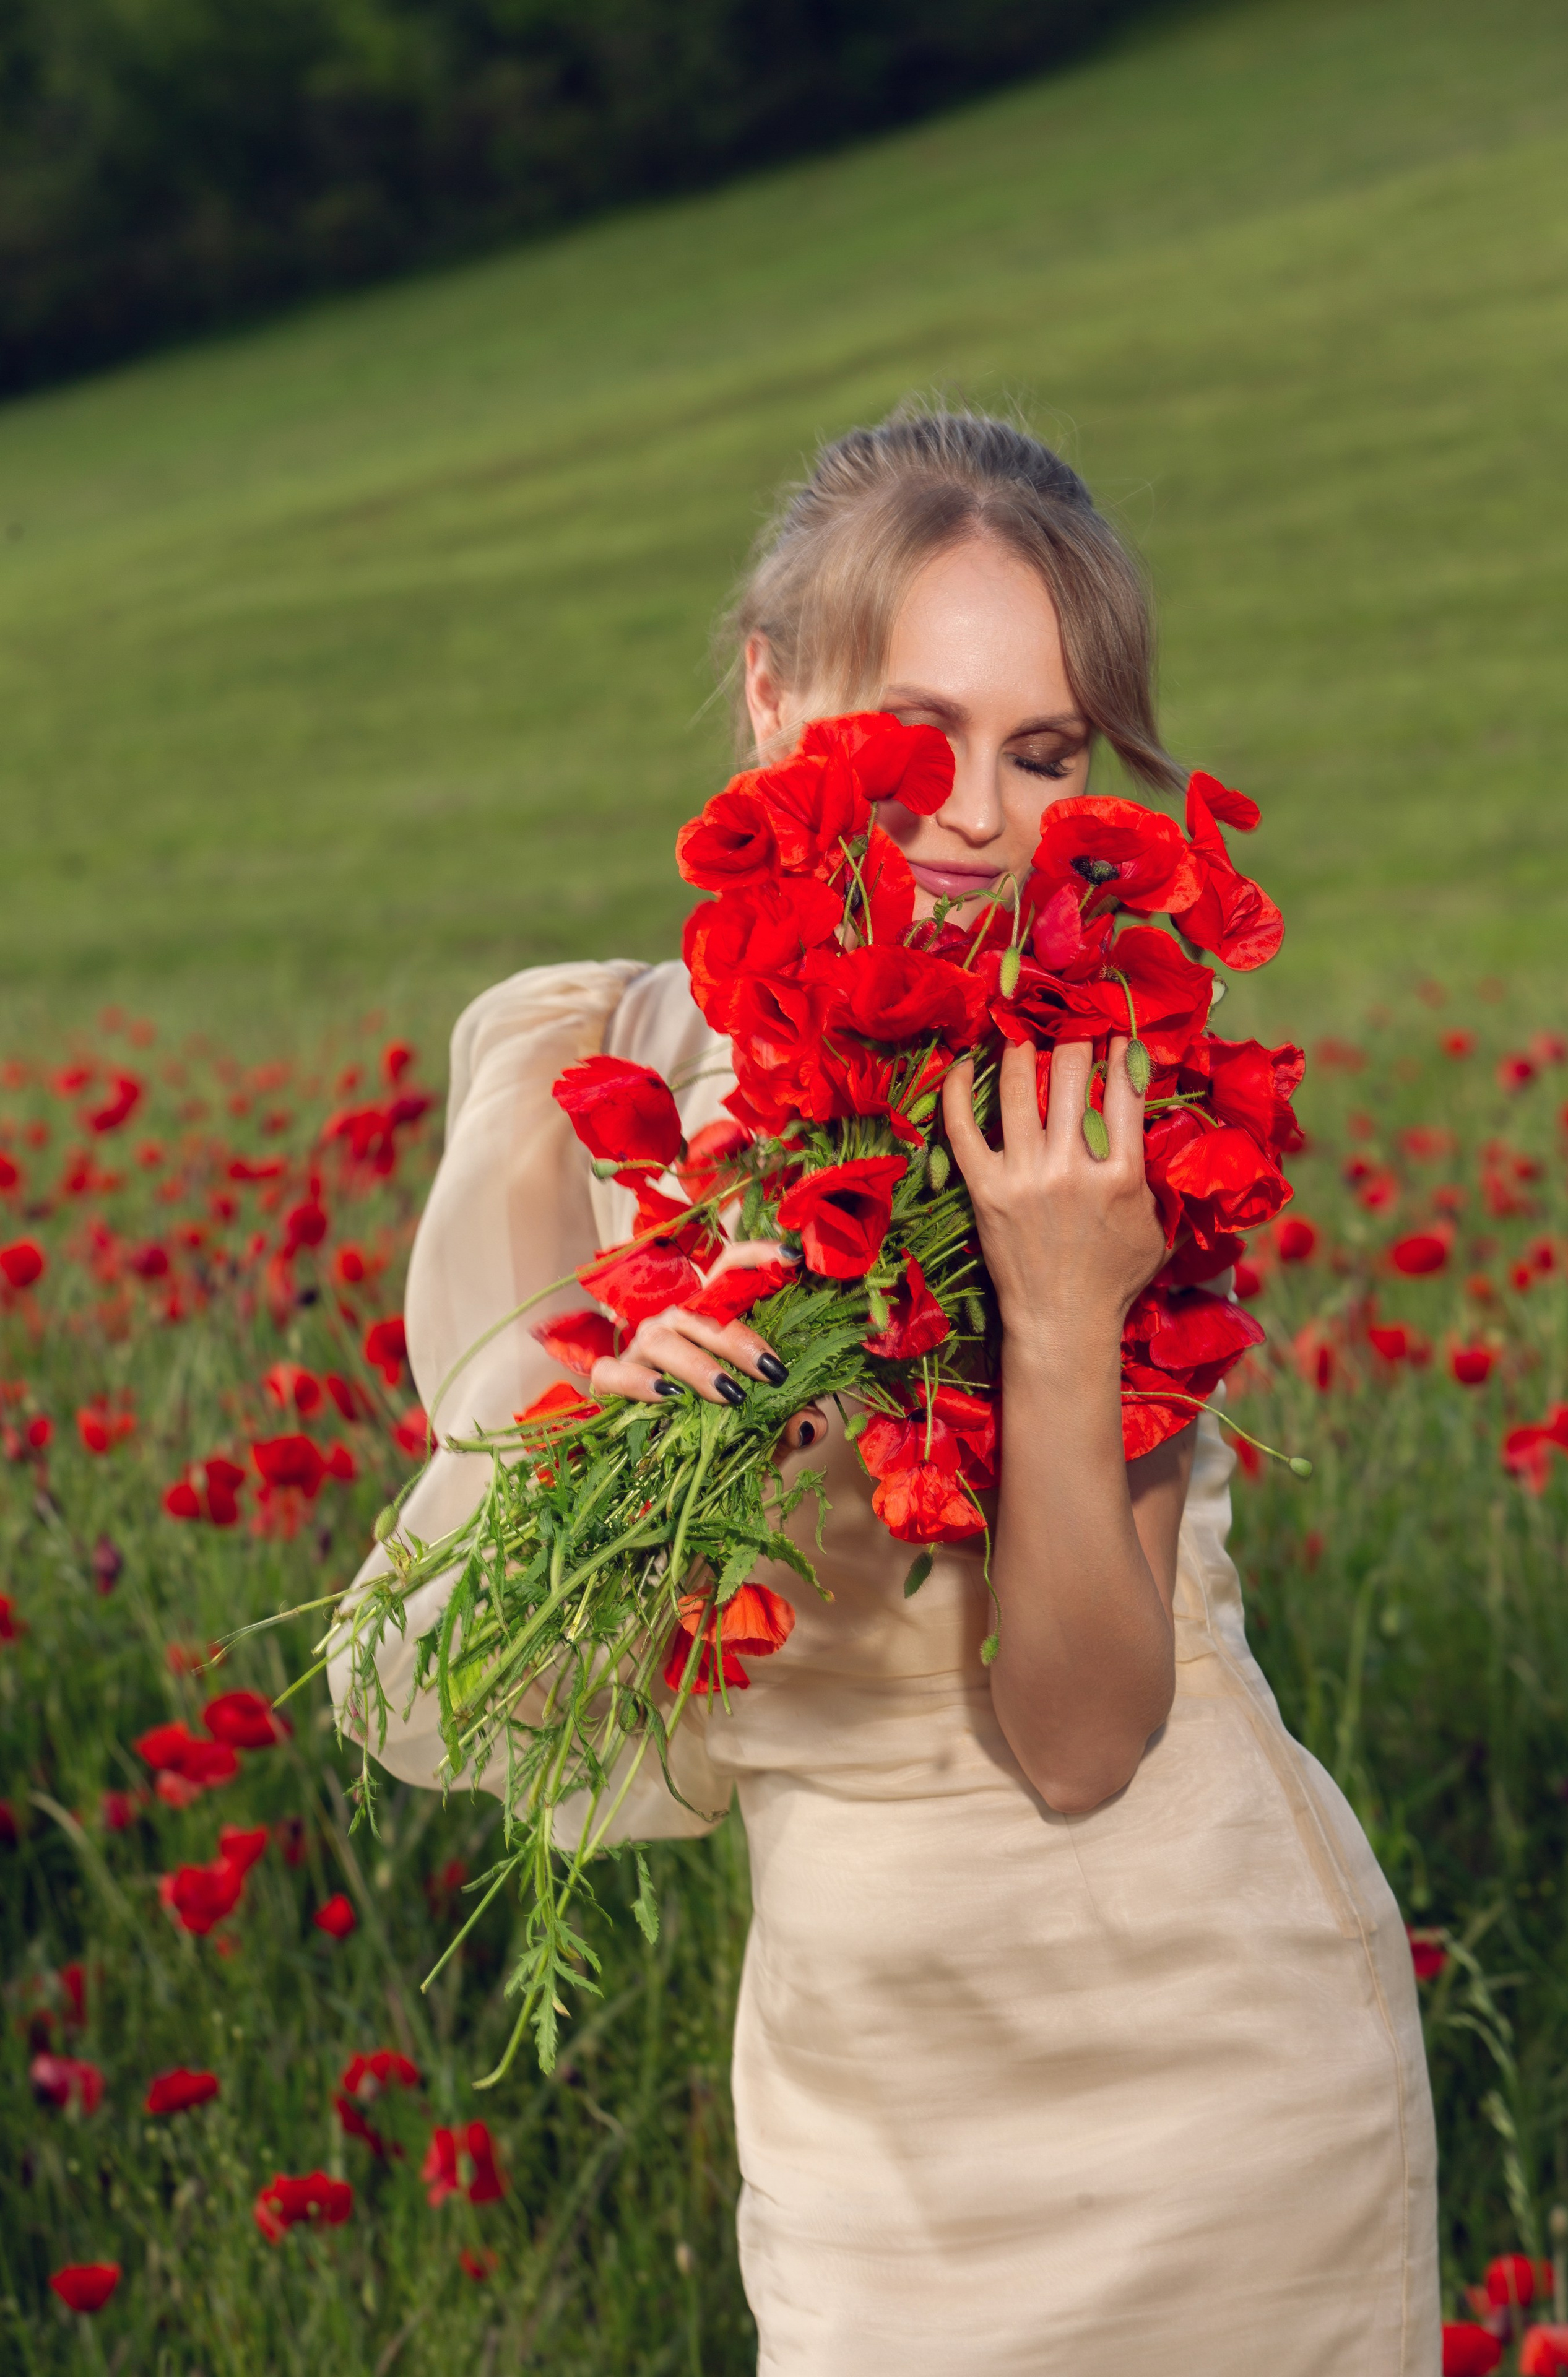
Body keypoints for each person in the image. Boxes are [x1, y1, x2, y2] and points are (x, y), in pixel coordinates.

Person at [332, 409, 1437, 2375]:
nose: (979, 820)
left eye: (1046, 750)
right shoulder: (578, 1082)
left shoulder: (1119, 1101)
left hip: (1222, 2085)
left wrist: (1065, 1309)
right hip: (866, 2139)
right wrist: (600, 1423)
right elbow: (454, 1666)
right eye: (919, 734)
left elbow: (1086, 1739)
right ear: (772, 694)